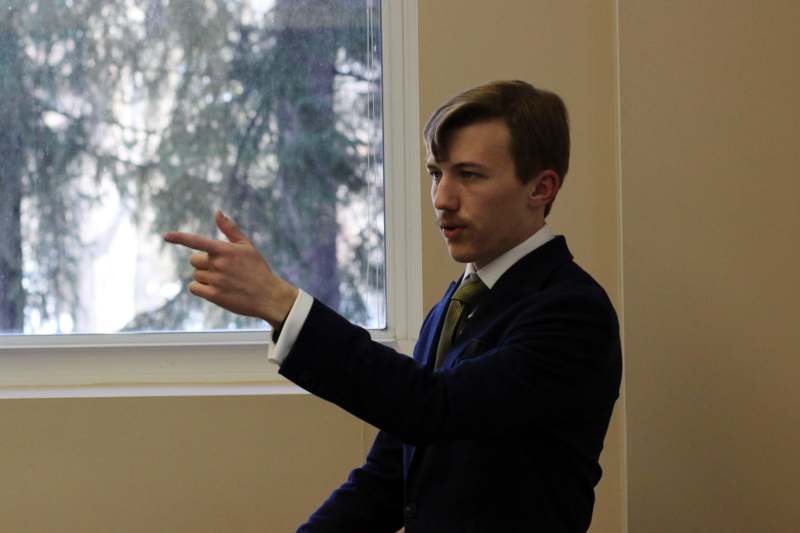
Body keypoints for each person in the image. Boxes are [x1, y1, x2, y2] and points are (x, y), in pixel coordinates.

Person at [164, 80, 622, 532]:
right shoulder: (457, 302)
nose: (442, 199)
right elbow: (389, 478)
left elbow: (434, 409)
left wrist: (281, 304)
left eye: (469, 174)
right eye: (435, 174)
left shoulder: (573, 312)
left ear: (541, 188)